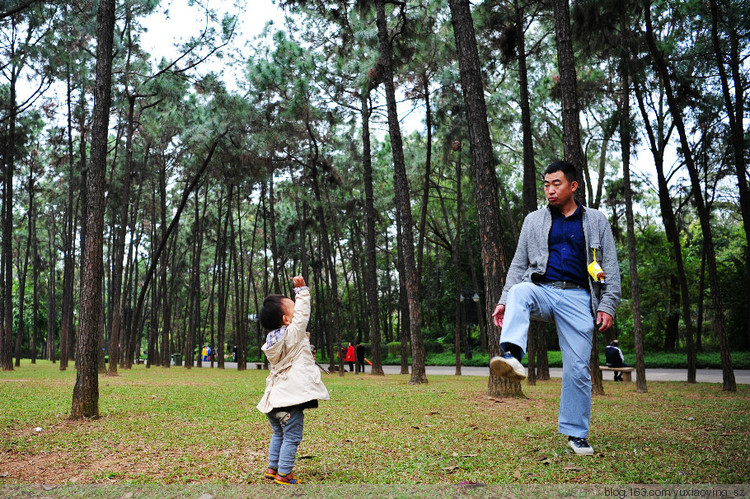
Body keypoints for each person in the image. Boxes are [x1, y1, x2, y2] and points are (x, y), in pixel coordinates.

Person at [490, 160, 621, 456]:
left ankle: (576, 435)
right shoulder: (533, 221)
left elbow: (610, 267)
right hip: (542, 290)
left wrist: (608, 305)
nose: (550, 190)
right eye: (546, 184)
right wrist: (503, 301)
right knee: (520, 291)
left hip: (579, 298)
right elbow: (518, 266)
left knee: (577, 369)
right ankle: (512, 356)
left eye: (556, 184)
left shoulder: (596, 220)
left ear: (573, 186)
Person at [257, 276, 329, 485]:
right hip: (289, 401)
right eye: (293, 309)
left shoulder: (273, 341)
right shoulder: (293, 333)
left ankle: (273, 468)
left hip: (273, 401)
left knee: (278, 435)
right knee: (292, 438)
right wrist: (302, 291)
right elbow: (303, 315)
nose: (297, 310)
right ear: (288, 320)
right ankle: (284, 474)